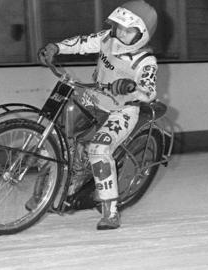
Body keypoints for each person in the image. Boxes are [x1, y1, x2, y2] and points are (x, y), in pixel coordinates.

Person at [38, 0, 158, 230]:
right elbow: (83, 43)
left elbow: (149, 92)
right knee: (58, 133)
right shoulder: (107, 39)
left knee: (99, 149)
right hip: (95, 98)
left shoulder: (146, 61)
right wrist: (57, 47)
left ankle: (110, 211)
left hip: (122, 111)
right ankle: (48, 189)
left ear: (143, 34)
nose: (121, 33)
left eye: (129, 29)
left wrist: (131, 88)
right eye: (119, 26)